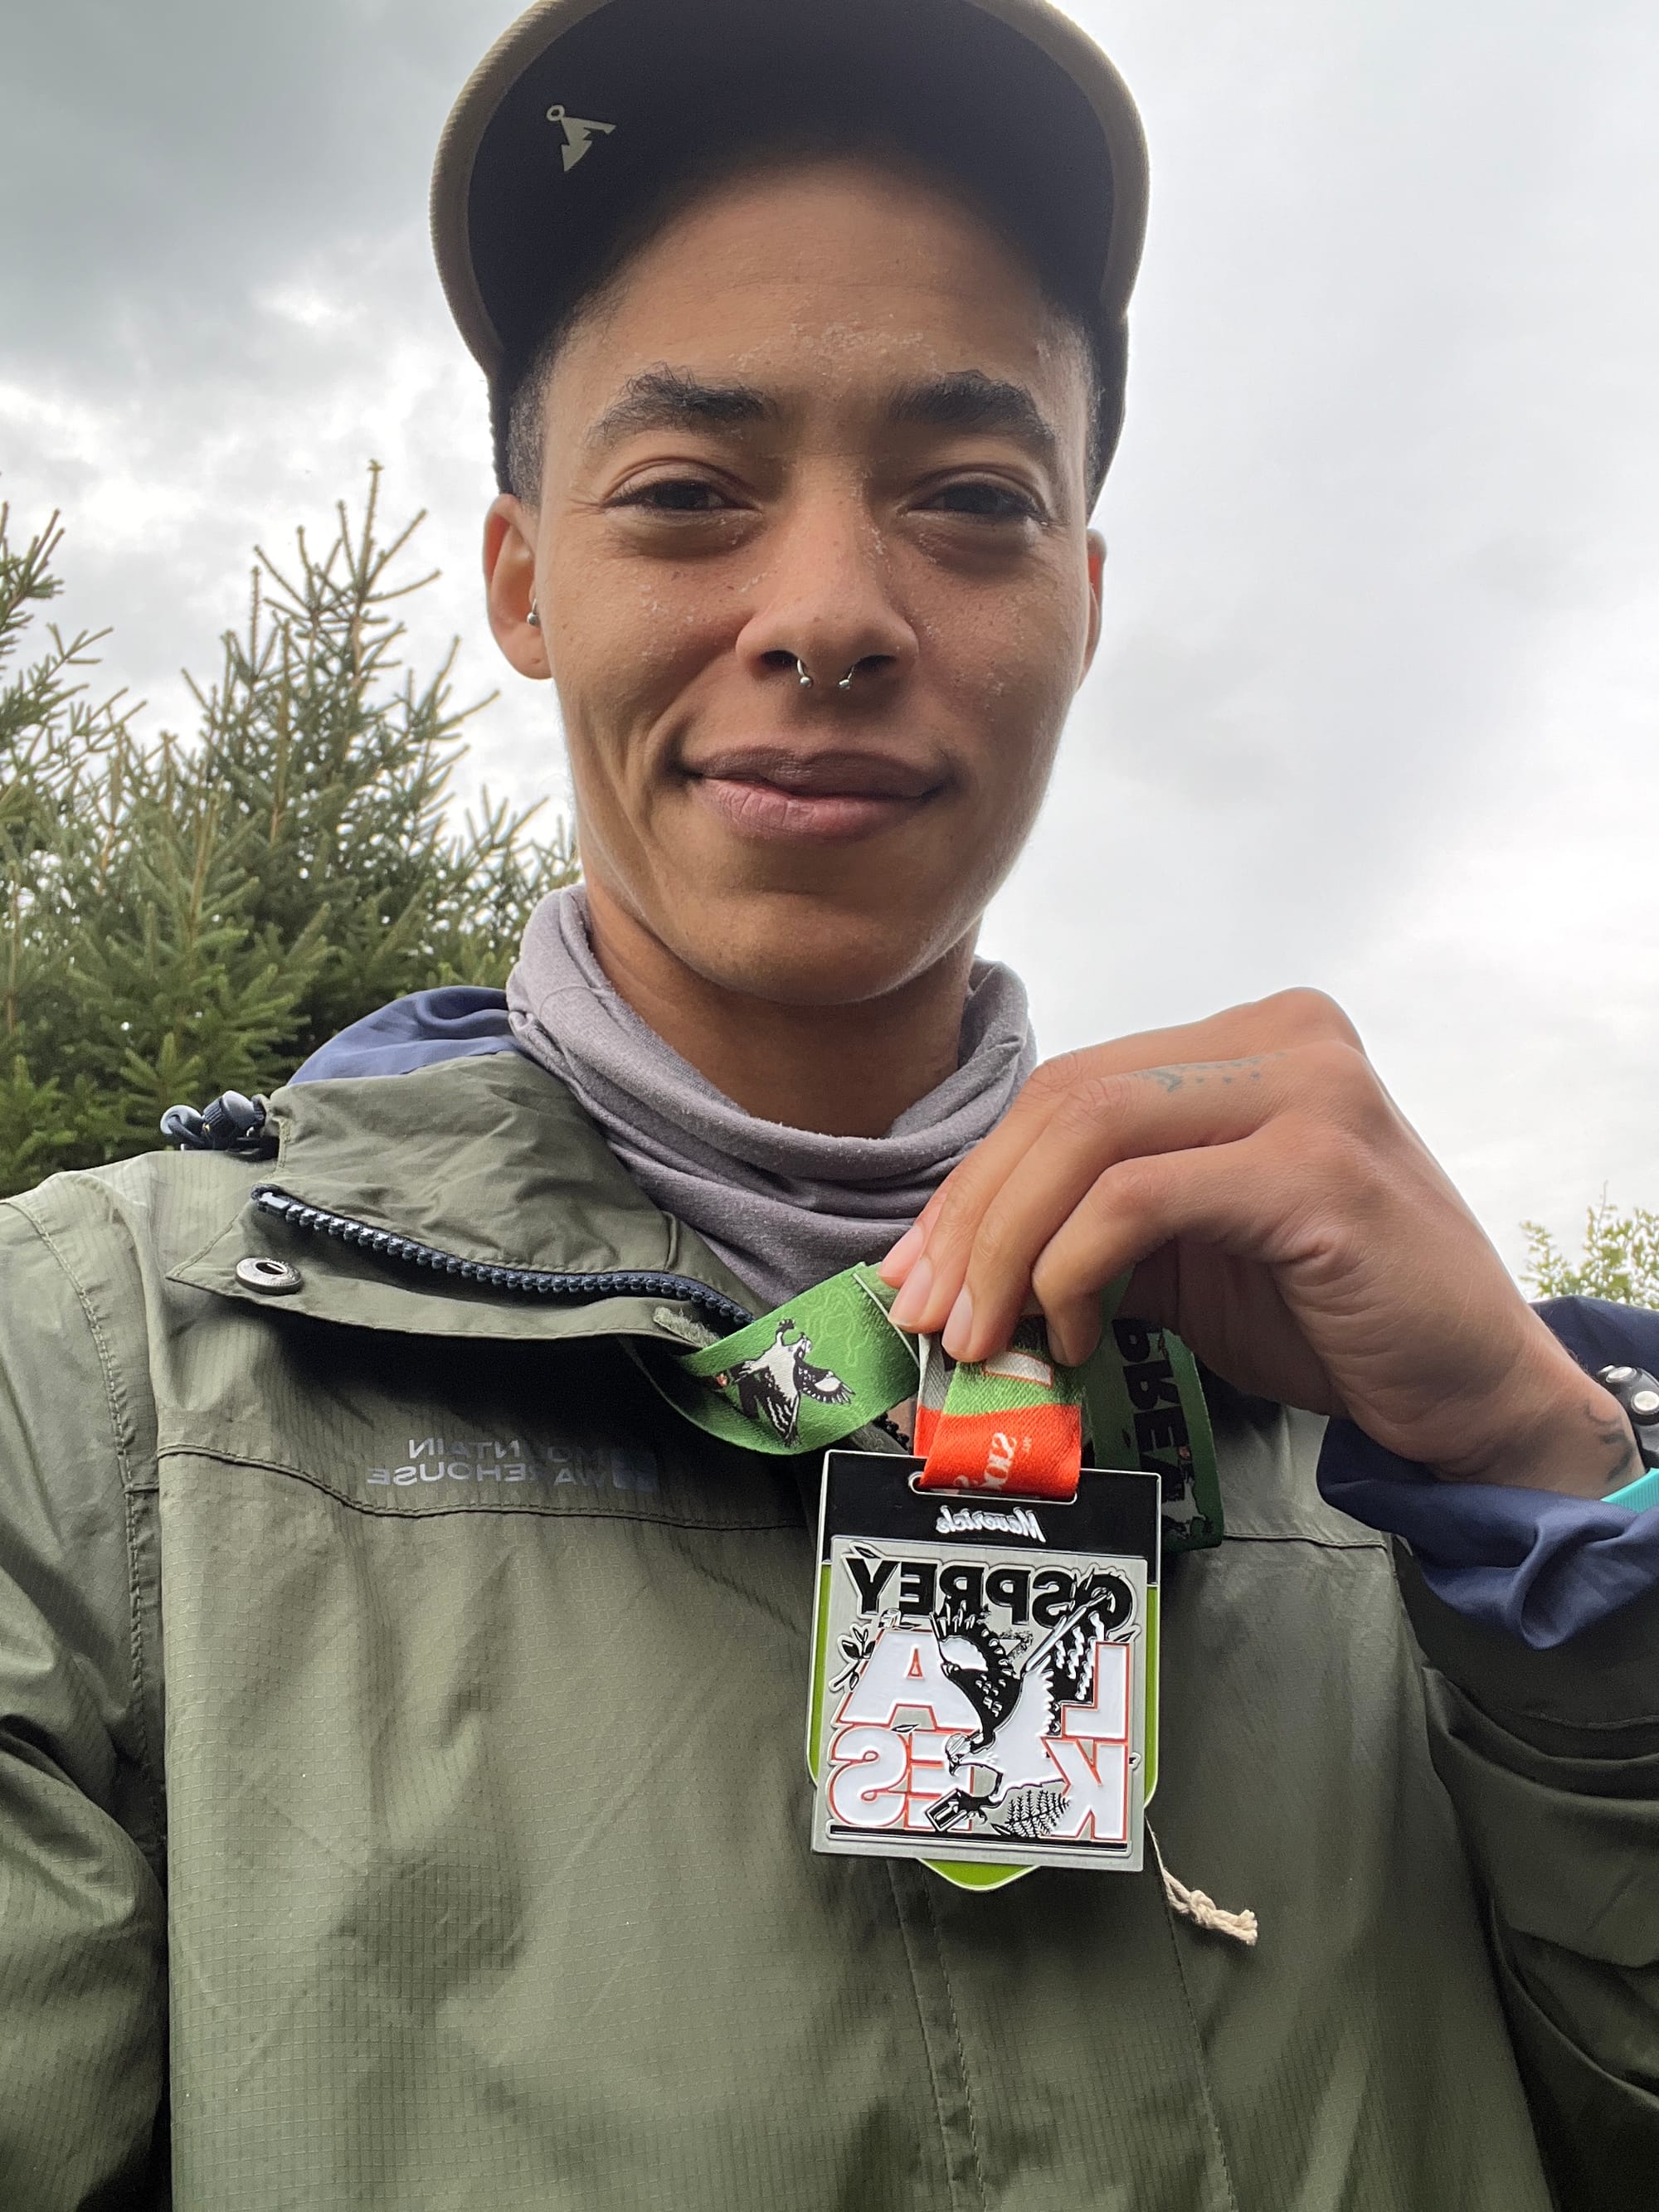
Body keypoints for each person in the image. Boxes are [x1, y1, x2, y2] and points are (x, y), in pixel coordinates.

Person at [2, 1, 1656, 2205]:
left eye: (970, 501)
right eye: (690, 495)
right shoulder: (87, 1391)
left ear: (1081, 600)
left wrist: (1552, 1493)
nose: (830, 615)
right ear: (524, 579)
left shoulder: (1407, 1444)